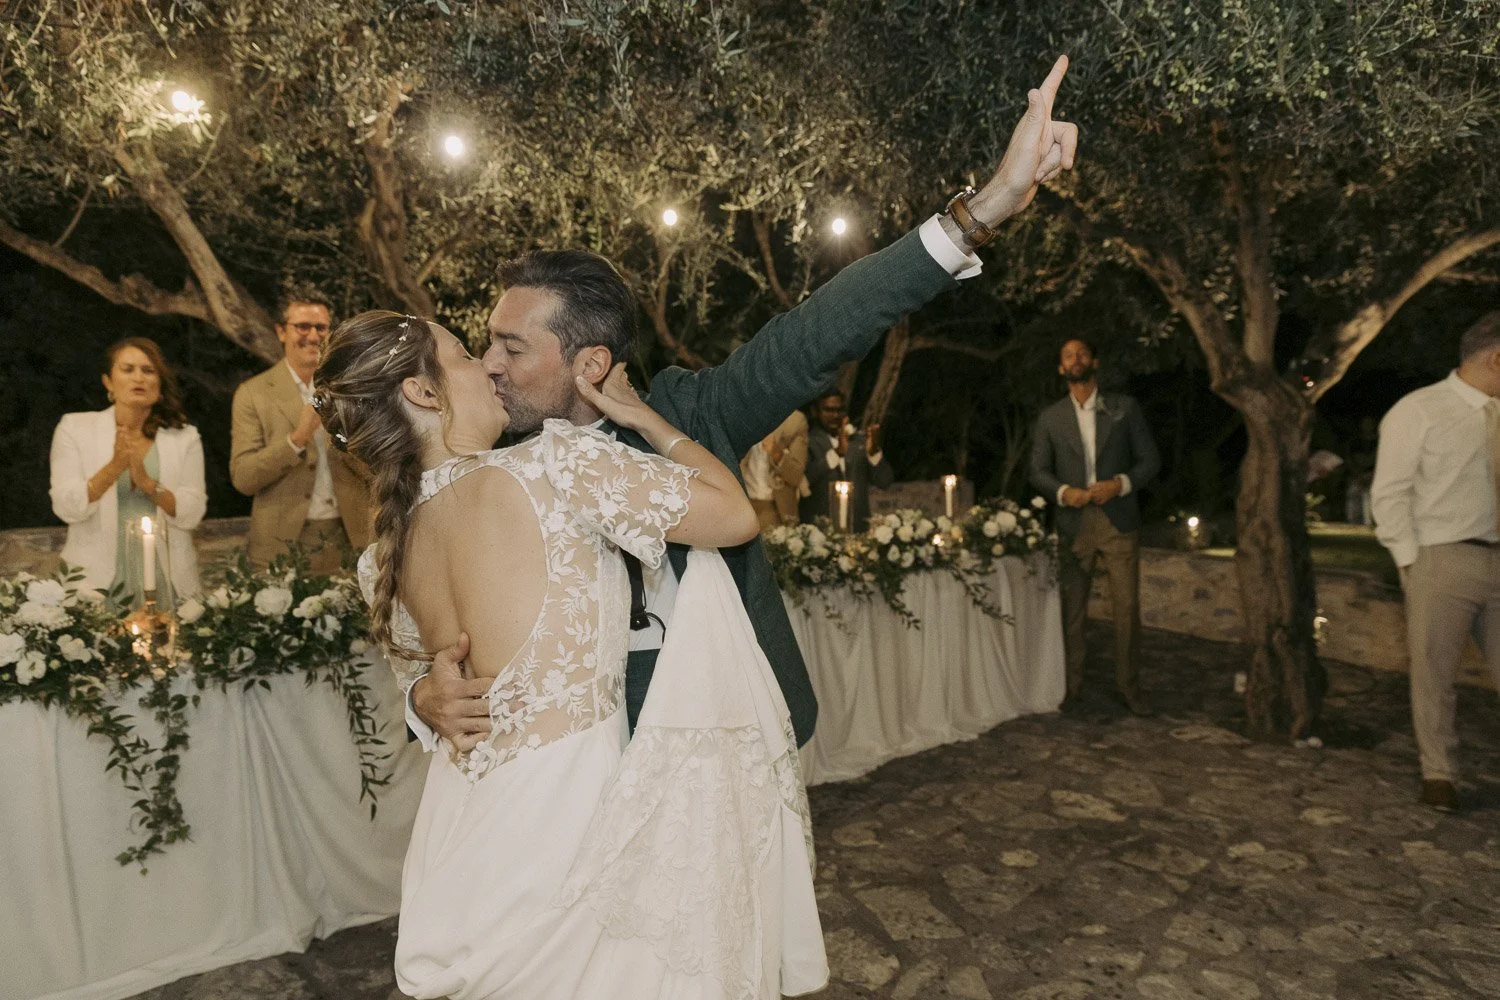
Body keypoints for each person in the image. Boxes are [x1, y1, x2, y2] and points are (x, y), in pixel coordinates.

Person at [410, 55, 1081, 764]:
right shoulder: (490, 468)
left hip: (735, 752)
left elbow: (819, 330)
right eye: (485, 345)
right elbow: (440, 625)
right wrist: (423, 694)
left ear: (591, 364)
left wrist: (986, 208)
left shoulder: (691, 412)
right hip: (586, 778)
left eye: (511, 348)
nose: (490, 365)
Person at [314, 311, 825, 999]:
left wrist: (420, 697)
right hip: (575, 826)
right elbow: (733, 516)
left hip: (466, 838)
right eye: (466, 354)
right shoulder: (559, 462)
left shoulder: (382, 558)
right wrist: (646, 420)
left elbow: (425, 679)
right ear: (424, 393)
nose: (490, 366)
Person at [1371, 311, 1500, 813]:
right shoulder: (1419, 410)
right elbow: (1391, 493)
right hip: (1443, 560)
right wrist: (1411, 564)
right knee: (1434, 675)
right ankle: (1439, 774)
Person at [1029, 337, 1160, 715]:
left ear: (1095, 361)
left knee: (1127, 609)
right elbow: (1037, 471)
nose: (1075, 359)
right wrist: (1063, 491)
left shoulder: (1124, 408)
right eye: (1067, 354)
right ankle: (1071, 687)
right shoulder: (1050, 418)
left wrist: (1120, 484)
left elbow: (1150, 460)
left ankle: (1129, 689)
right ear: (1060, 368)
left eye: (1082, 352)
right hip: (1073, 524)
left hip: (1118, 519)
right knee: (1072, 610)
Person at [48, 338, 206, 599]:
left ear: (160, 384)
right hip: (96, 583)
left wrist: (148, 484)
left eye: (148, 370)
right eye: (128, 369)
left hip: (167, 578)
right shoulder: (75, 429)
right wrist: (114, 467)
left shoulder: (185, 438)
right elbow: (67, 507)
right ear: (109, 382)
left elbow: (192, 512)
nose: (139, 378)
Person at [230, 289, 374, 573]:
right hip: (280, 549)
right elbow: (244, 478)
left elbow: (377, 468)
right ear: (282, 332)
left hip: (352, 542)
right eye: (302, 327)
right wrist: (297, 439)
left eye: (321, 327)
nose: (313, 335)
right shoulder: (252, 393)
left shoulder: (355, 389)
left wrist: (342, 435)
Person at [799, 391, 892, 532]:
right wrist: (836, 453)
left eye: (839, 410)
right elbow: (804, 482)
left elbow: (885, 481)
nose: (835, 415)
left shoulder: (859, 442)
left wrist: (874, 454)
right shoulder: (807, 442)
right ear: (816, 412)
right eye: (829, 410)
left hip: (857, 530)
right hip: (819, 533)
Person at [742, 409, 809, 531]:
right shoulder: (743, 413)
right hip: (742, 506)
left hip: (776, 510)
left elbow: (796, 476)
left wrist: (777, 453)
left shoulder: (795, 420)